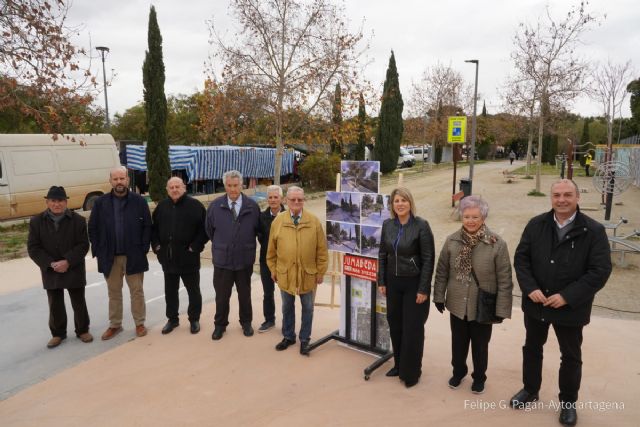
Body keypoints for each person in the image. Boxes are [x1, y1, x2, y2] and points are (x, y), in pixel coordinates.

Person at [510, 179, 612, 426]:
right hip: (536, 303)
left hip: (570, 308)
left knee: (570, 355)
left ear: (578, 197)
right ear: (551, 198)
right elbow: (521, 259)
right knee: (532, 348)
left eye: (568, 194)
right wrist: (530, 287)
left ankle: (568, 403)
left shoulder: (593, 231)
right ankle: (530, 389)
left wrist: (568, 296)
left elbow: (599, 271)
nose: (562, 199)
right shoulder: (536, 225)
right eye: (557, 195)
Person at [433, 196, 513, 394]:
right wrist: (438, 296)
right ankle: (458, 372)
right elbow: (442, 270)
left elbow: (505, 279)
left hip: (482, 305)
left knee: (480, 345)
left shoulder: (497, 244)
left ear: (483, 218)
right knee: (458, 343)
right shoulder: (452, 241)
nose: (470, 220)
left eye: (475, 217)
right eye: (466, 216)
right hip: (457, 302)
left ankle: (479, 377)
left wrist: (502, 308)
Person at [377, 187, 435, 388]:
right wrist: (382, 281)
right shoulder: (388, 225)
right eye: (396, 201)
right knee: (396, 325)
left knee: (413, 329)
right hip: (393, 283)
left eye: (403, 200)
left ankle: (411, 372)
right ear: (392, 205)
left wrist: (423, 289)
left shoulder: (421, 226)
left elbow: (428, 259)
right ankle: (399, 365)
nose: (399, 204)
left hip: (413, 284)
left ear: (410, 203)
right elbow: (382, 255)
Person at [88, 166, 152, 340]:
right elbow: (92, 227)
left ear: (127, 180)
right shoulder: (101, 203)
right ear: (110, 181)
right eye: (115, 179)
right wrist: (99, 249)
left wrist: (143, 248)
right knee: (113, 292)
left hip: (134, 254)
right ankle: (115, 325)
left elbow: (147, 225)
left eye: (122, 178)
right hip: (110, 256)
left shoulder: (139, 201)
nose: (119, 182)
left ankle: (139, 323)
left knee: (137, 291)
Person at [27, 186, 92, 348]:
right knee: (55, 302)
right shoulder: (37, 221)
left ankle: (82, 330)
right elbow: (33, 248)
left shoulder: (78, 220)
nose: (57, 204)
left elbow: (83, 245)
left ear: (66, 202)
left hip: (73, 267)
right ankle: (58, 334)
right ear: (47, 202)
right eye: (53, 201)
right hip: (51, 269)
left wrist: (67, 261)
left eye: (60, 201)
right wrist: (50, 264)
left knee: (78, 301)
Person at [267, 186, 328, 355]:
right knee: (287, 307)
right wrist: (273, 269)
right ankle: (288, 336)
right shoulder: (278, 221)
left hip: (308, 274)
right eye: (292, 199)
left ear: (304, 201)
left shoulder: (314, 221)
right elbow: (271, 251)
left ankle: (304, 339)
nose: (296, 203)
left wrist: (321, 271)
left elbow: (321, 250)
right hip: (285, 273)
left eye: (299, 200)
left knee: (308, 308)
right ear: (286, 200)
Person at [205, 170, 260, 340]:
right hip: (223, 261)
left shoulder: (252, 206)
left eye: (235, 185)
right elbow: (209, 231)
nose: (233, 189)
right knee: (221, 296)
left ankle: (246, 323)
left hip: (244, 260)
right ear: (225, 186)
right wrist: (223, 245)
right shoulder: (215, 206)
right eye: (229, 185)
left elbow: (258, 230)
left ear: (241, 185)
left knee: (245, 294)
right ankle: (220, 325)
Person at [152, 177, 208, 335]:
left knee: (193, 291)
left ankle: (194, 319)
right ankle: (172, 319)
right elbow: (153, 229)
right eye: (171, 187)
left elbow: (205, 229)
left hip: (188, 257)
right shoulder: (162, 207)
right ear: (167, 189)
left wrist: (195, 246)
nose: (175, 189)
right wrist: (156, 246)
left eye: (177, 186)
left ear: (184, 188)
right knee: (170, 291)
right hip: (168, 258)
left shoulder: (195, 206)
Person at [257, 185, 285, 333]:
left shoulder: (289, 215)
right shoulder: (261, 217)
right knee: (268, 292)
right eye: (270, 197)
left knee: (287, 294)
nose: (273, 200)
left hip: (285, 262)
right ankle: (269, 320)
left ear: (281, 198)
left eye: (276, 197)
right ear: (267, 199)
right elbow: (260, 237)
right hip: (266, 261)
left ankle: (287, 322)